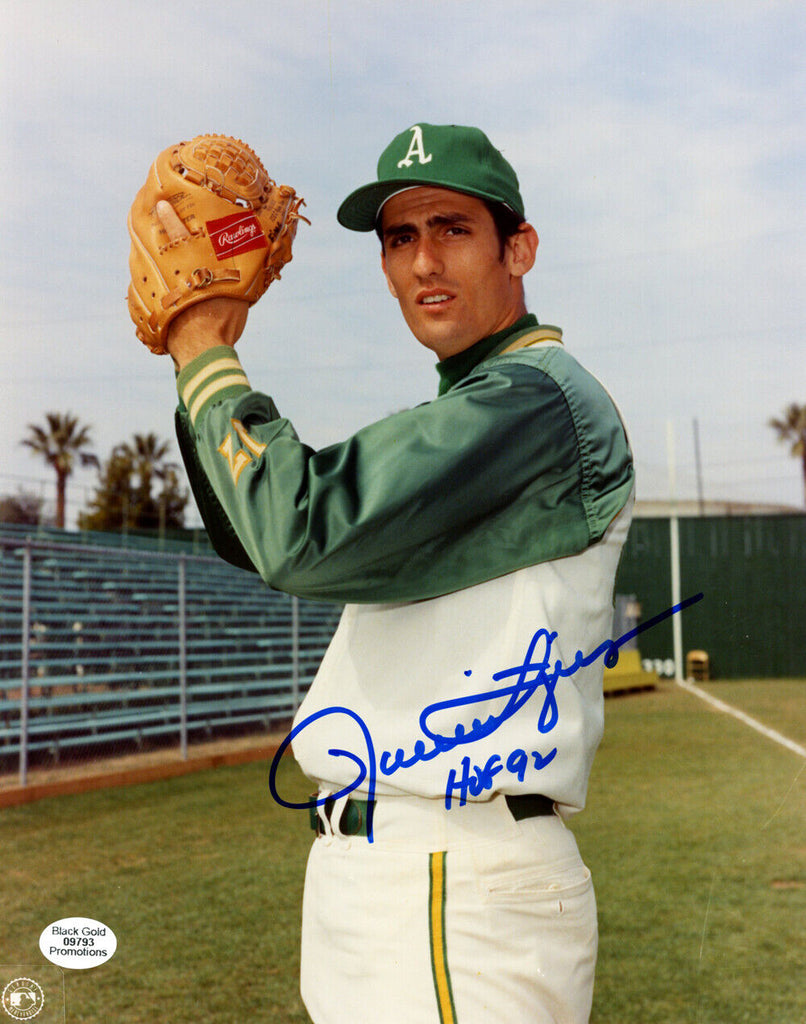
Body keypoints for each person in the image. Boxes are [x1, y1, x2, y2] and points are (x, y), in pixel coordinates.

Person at [164, 123, 635, 1024]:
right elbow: (255, 537)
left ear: (519, 248)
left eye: (453, 228)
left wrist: (205, 350)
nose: (423, 261)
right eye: (399, 237)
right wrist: (197, 369)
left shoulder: (537, 401)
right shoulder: (478, 407)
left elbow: (298, 532)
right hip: (395, 878)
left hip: (453, 882)